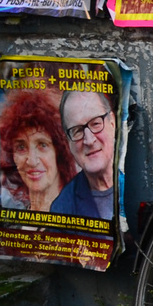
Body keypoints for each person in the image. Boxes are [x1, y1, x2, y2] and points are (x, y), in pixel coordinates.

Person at [0, 89, 74, 212]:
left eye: (42, 145)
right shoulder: (10, 219)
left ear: (60, 152)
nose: (32, 161)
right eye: (21, 148)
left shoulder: (82, 216)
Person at [50, 89, 118, 221]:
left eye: (96, 123)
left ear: (112, 123)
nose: (89, 140)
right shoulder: (63, 209)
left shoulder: (137, 181)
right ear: (68, 141)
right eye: (77, 131)